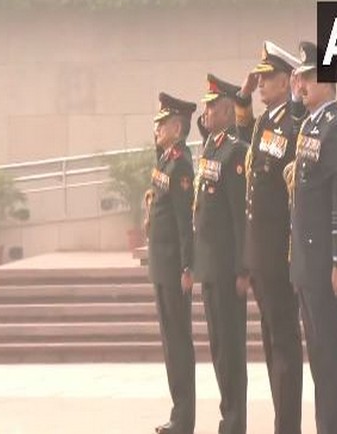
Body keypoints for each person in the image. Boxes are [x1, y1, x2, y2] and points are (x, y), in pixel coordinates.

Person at [235, 41, 306, 434]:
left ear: (285, 82)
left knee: (284, 343)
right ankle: (282, 421)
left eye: (266, 80)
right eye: (259, 80)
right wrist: (242, 96)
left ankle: (288, 426)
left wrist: (297, 101)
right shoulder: (264, 122)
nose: (260, 85)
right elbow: (244, 140)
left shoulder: (292, 124)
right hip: (259, 250)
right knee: (269, 342)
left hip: (279, 249)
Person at [289, 40, 337, 434]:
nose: (301, 86)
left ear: (327, 83)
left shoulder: (336, 129)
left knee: (331, 358)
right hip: (306, 261)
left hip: (325, 264)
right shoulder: (312, 123)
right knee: (317, 357)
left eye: (308, 78)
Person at [194, 74, 249, 434]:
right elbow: (199, 123)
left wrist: (244, 268)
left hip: (229, 267)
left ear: (227, 112)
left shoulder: (234, 150)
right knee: (217, 349)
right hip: (209, 265)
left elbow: (239, 216)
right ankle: (226, 418)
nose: (206, 111)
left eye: (212, 106)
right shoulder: (212, 146)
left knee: (230, 350)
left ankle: (234, 424)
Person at [147, 92, 197, 434]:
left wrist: (187, 267)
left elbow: (184, 220)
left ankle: (184, 419)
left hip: (173, 267)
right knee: (170, 344)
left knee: (179, 343)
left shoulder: (180, 163)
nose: (156, 130)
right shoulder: (166, 159)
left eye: (162, 124)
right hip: (160, 265)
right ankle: (177, 414)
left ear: (177, 128)